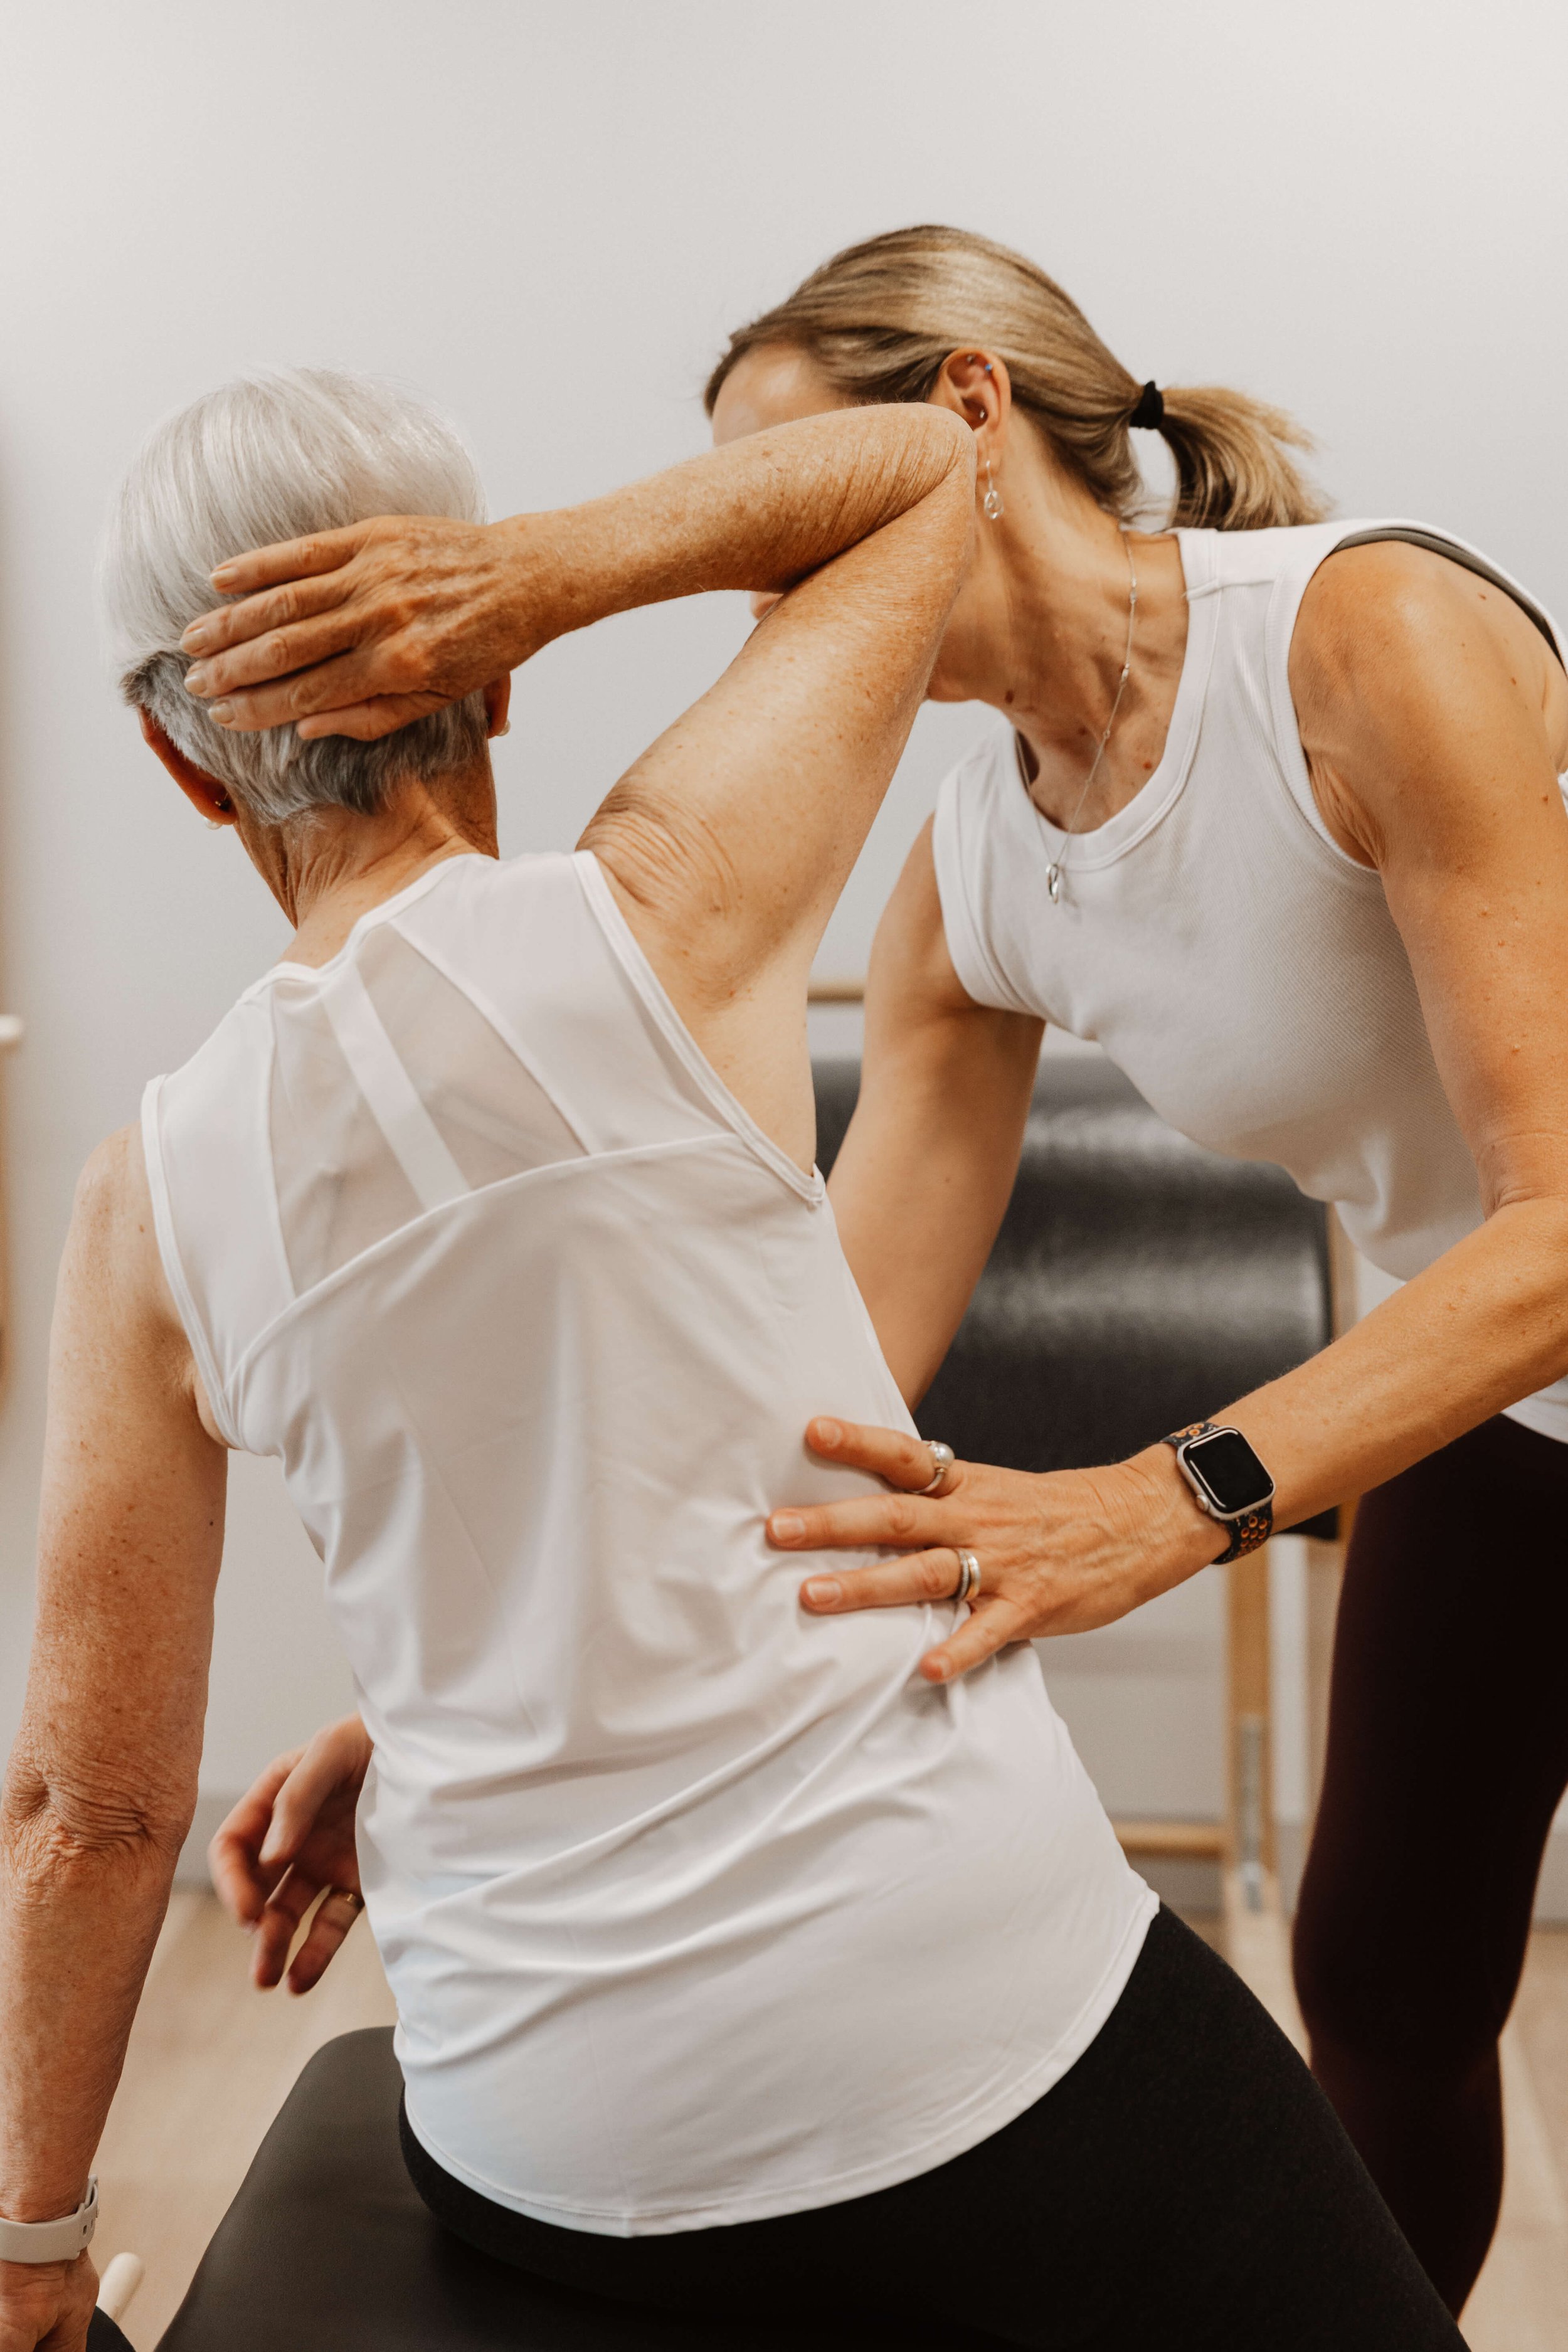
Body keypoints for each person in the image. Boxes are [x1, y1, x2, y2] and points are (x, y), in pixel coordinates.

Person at [181, 227, 1568, 2322]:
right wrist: (464, 1697)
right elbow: (795, 1387)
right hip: (1499, 1388)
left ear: (963, 421)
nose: (763, 591)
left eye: (767, 508)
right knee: (1379, 1964)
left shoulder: (1363, 639)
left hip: (1524, 1294)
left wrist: (1159, 1500)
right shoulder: (976, 872)